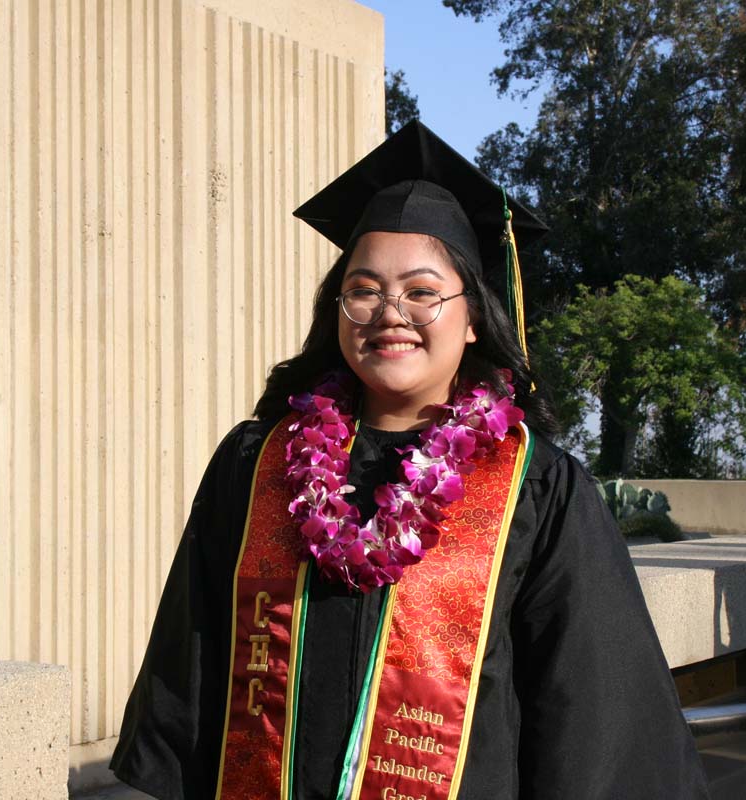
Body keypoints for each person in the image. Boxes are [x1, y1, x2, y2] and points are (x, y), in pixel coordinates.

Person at [110, 121, 710, 800]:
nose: (389, 312)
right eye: (364, 289)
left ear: (473, 317)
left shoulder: (536, 487)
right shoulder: (256, 467)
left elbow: (589, 718)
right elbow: (189, 677)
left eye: (422, 292)